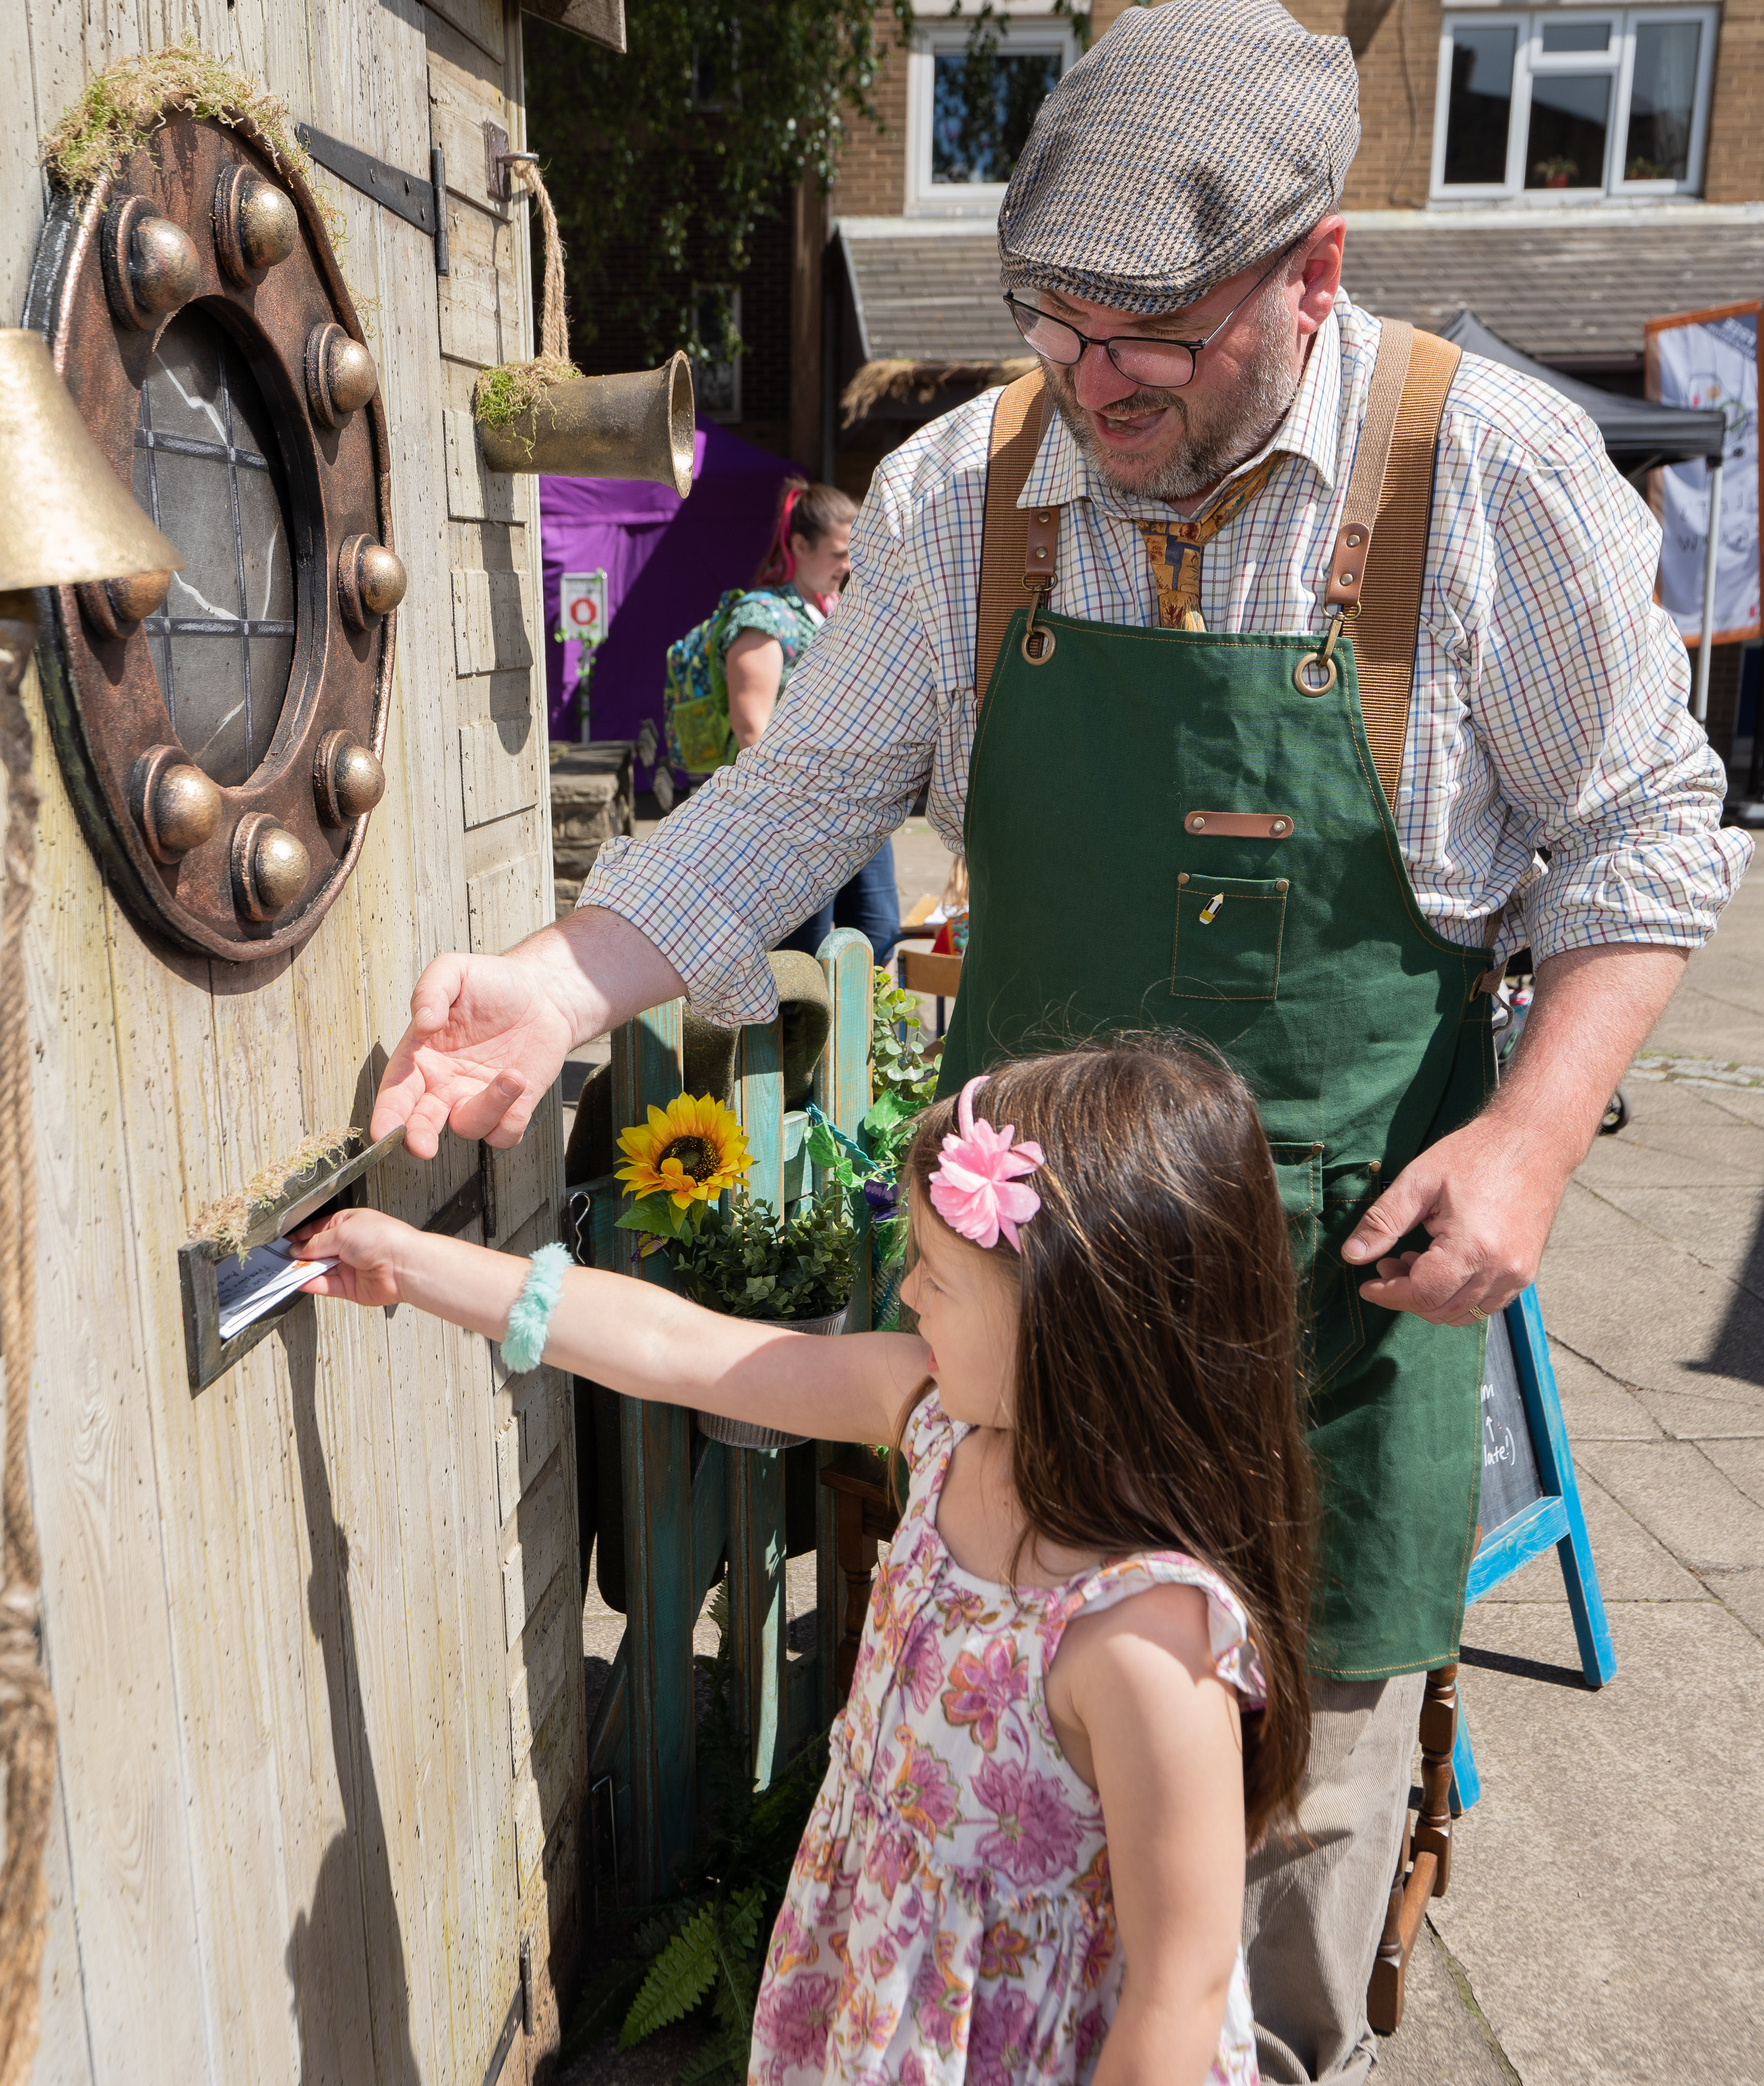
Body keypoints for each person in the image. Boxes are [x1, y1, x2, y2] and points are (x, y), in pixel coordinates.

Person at [366, 1, 1750, 2075]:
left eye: (1154, 339)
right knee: (981, 1819)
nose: (1095, 384)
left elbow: (1640, 834)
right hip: (1016, 1323)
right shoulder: (967, 486)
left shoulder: (1487, 473)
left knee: (1274, 1875)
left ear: (1314, 270)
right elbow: (797, 797)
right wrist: (556, 985)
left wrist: (1534, 1138)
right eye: (1056, 328)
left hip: (1326, 1333)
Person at [303, 1038, 1319, 2084]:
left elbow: (1178, 1994)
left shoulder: (1147, 1640)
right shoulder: (938, 1425)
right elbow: (678, 1348)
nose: (907, 1291)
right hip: (872, 2004)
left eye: (938, 1273)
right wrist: (416, 1264)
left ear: (1069, 1324)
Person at [717, 482, 902, 965]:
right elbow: (752, 732)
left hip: (861, 808)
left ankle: (873, 1021)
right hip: (795, 823)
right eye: (840, 553)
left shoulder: (841, 610)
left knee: (880, 936)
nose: (849, 565)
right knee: (802, 955)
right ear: (799, 545)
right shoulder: (762, 617)